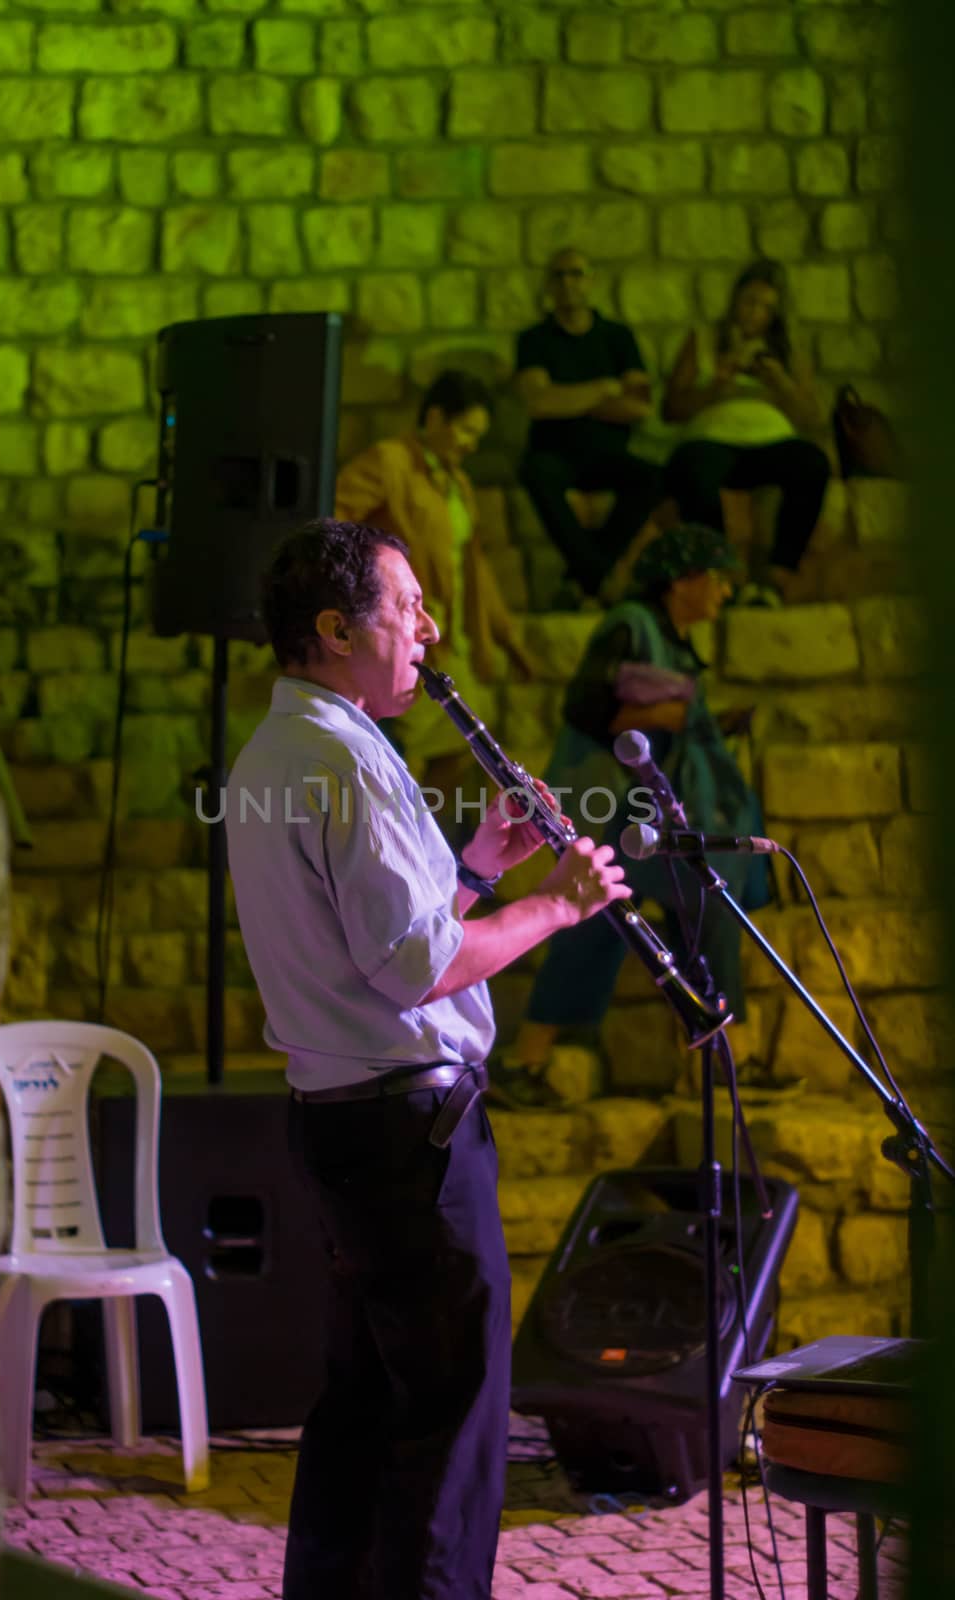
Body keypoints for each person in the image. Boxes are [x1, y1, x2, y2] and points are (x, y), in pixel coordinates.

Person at [224, 519, 631, 1600]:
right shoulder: (341, 760)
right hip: (407, 1133)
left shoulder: (285, 750)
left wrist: (479, 864)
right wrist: (557, 902)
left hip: (350, 1119)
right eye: (405, 608)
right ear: (333, 628)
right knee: (451, 1421)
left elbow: (382, 951)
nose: (427, 628)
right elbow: (415, 970)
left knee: (364, 1402)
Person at [490, 523, 766, 1109]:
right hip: (615, 804)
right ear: (682, 580)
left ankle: (530, 1060)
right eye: (715, 580)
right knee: (670, 910)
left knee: (619, 923)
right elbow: (586, 705)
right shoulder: (631, 624)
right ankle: (719, 1064)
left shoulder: (668, 634)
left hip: (639, 808)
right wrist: (661, 715)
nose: (722, 594)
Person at [334, 369, 533, 802]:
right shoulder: (389, 463)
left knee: (460, 752)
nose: (470, 443)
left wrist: (507, 640)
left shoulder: (457, 483)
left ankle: (435, 857)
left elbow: (472, 566)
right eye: (465, 430)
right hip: (402, 639)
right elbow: (334, 529)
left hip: (449, 639)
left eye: (477, 435)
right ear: (437, 417)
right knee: (396, 751)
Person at [662, 258, 830, 608]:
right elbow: (671, 409)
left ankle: (776, 578)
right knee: (691, 469)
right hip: (713, 440)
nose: (755, 313)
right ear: (735, 300)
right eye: (750, 301)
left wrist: (780, 382)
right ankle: (720, 575)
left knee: (812, 464)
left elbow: (812, 418)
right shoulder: (704, 339)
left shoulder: (786, 349)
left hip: (771, 443)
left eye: (766, 307)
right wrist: (716, 386)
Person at [515, 246, 666, 603]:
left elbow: (639, 406)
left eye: (576, 273)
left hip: (607, 454)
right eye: (559, 275)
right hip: (554, 453)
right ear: (549, 285)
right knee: (535, 472)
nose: (568, 282)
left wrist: (566, 399)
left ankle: (586, 575)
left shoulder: (617, 337)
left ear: (592, 281)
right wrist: (603, 389)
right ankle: (599, 577)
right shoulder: (534, 340)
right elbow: (539, 403)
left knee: (652, 477)